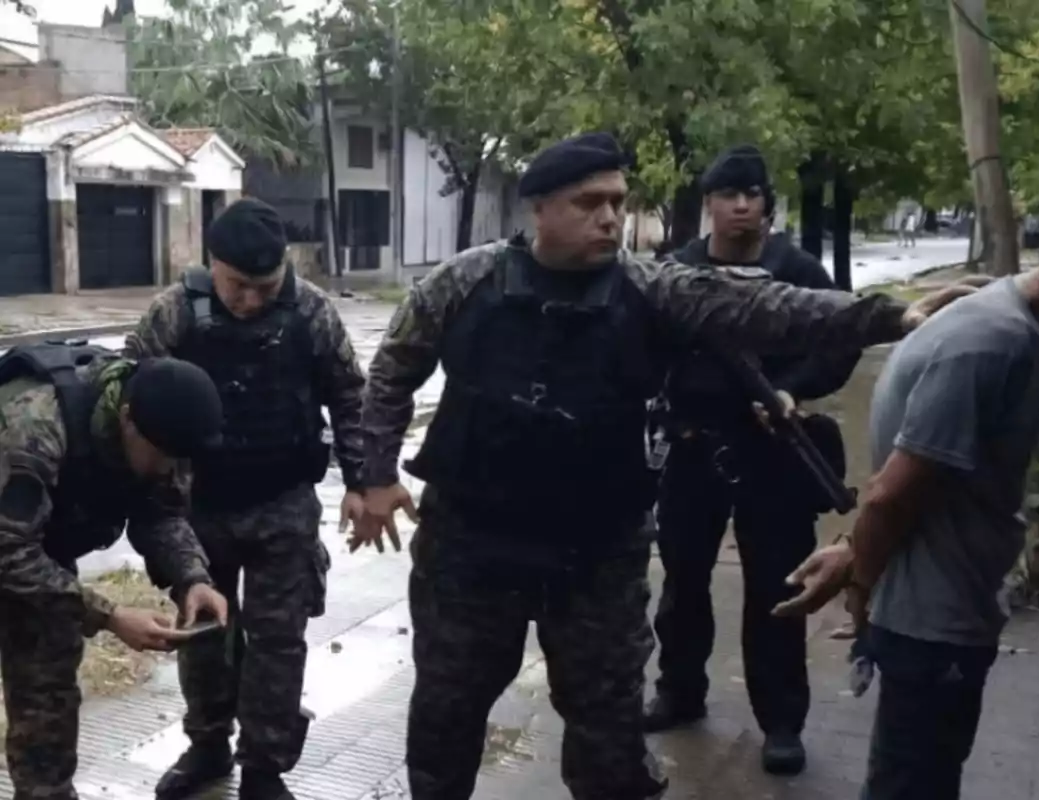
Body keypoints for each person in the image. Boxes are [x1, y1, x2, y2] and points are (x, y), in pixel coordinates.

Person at [348, 131, 979, 800]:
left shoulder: (648, 288)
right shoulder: (466, 281)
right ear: (538, 209)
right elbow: (392, 370)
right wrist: (376, 475)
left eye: (617, 202)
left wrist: (891, 316)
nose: (610, 218)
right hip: (470, 549)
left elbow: (766, 305)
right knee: (445, 720)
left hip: (596, 555)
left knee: (608, 739)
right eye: (588, 203)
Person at [773, 192, 1039, 800]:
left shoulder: (996, 316)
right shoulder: (994, 341)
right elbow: (892, 494)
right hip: (933, 630)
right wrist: (862, 588)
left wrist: (849, 553)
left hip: (938, 616)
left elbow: (925, 485)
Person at [123, 198, 368, 800]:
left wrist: (364, 480)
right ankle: (208, 745)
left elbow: (350, 395)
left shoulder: (311, 311)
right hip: (199, 503)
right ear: (213, 264)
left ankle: (264, 765)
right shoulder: (176, 313)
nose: (253, 300)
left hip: (283, 502)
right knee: (204, 633)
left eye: (266, 286)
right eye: (239, 286)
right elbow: (129, 396)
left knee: (279, 640)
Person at [643, 145, 858, 775]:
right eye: (729, 195)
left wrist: (795, 388)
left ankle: (782, 721)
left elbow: (838, 340)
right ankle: (678, 691)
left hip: (774, 451)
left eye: (754, 195)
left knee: (777, 587)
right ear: (708, 204)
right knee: (683, 582)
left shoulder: (797, 270)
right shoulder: (677, 271)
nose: (743, 206)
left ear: (767, 204)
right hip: (692, 448)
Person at [0, 344, 230, 800]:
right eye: (161, 454)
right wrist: (108, 616)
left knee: (47, 696)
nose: (168, 467)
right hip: (10, 539)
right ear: (125, 418)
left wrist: (192, 576)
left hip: (34, 541)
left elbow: (160, 512)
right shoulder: (35, 426)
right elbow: (8, 550)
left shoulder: (162, 429)